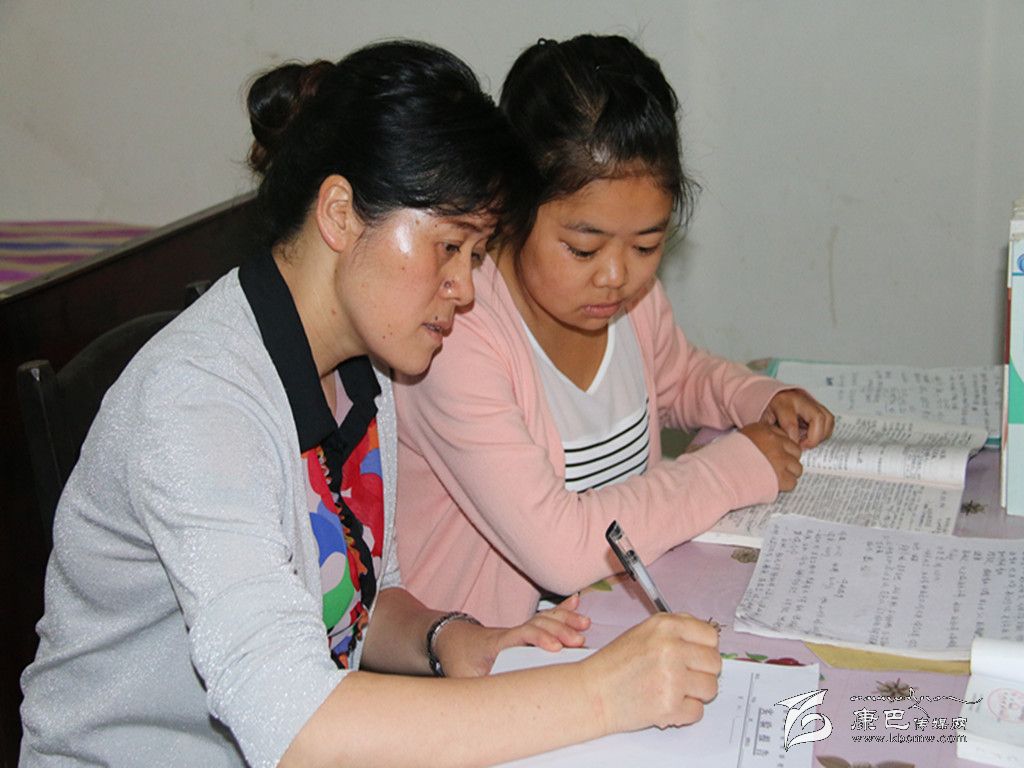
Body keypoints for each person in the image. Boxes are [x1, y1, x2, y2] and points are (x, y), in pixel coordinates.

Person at [19, 40, 725, 768]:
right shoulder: (200, 406)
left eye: (476, 255)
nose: (466, 288)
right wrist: (600, 695)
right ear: (339, 213)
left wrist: (450, 638)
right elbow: (297, 726)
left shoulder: (361, 367)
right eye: (448, 247)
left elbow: (355, 599)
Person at [394, 34, 836, 628]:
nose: (616, 276)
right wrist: (734, 468)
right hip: (488, 654)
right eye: (583, 249)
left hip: (611, 624)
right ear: (512, 211)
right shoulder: (455, 335)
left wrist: (757, 398)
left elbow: (678, 378)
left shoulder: (631, 302)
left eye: (646, 246)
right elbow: (561, 549)